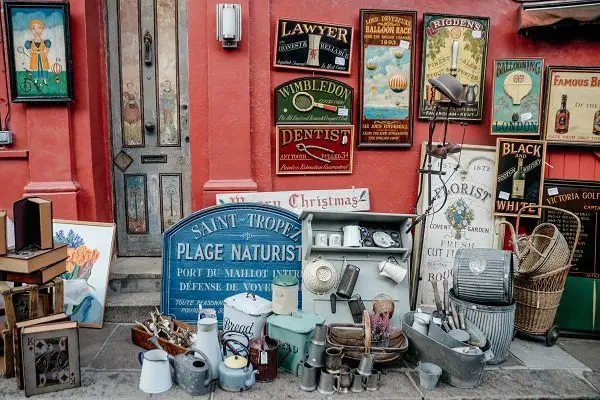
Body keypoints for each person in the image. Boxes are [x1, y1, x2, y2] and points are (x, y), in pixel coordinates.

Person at [24, 19, 51, 85]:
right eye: (34, 28)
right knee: (35, 68)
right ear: (31, 30)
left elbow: (47, 48)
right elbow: (29, 49)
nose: (36, 30)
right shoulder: (29, 42)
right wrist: (31, 55)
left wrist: (46, 54)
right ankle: (36, 80)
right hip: (35, 56)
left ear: (42, 29)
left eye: (39, 28)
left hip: (42, 56)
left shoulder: (45, 42)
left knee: (44, 67)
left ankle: (45, 80)